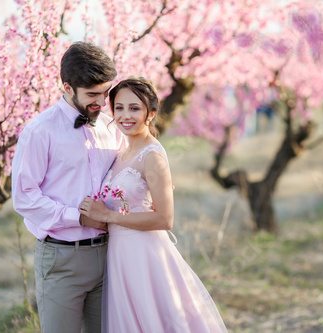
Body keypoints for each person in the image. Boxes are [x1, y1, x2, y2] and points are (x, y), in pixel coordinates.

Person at [79, 77, 228, 332]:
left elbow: (164, 219)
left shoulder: (153, 156)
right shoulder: (120, 153)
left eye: (134, 108)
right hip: (119, 254)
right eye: (119, 107)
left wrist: (109, 216)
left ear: (151, 113)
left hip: (145, 255)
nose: (125, 115)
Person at [11, 42, 126, 333]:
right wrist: (80, 217)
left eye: (105, 92)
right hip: (61, 260)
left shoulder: (112, 128)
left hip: (110, 255)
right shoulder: (40, 131)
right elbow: (24, 197)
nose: (101, 101)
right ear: (67, 87)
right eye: (92, 94)